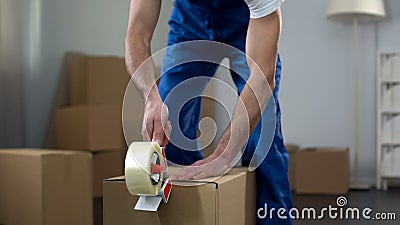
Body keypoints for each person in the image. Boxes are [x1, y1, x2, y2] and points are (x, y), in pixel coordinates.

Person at [125, 0, 293, 224]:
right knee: (170, 127)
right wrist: (151, 98)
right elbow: (137, 34)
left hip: (246, 21)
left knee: (263, 136)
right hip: (191, 19)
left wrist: (224, 154)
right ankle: (193, 214)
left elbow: (262, 78)